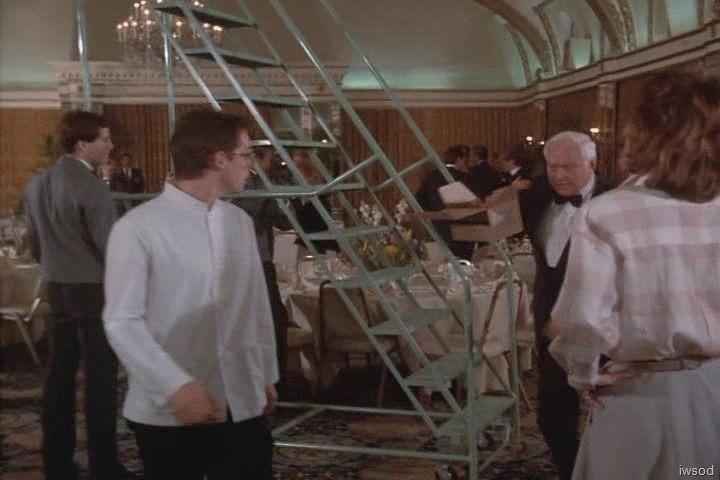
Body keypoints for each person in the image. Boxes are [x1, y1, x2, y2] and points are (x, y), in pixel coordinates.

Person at [548, 70, 720, 480]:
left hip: (641, 395)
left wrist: (582, 372)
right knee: (699, 472)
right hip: (714, 391)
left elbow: (583, 320)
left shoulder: (609, 213)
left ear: (644, 134)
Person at [103, 109, 278, 479]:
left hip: (241, 401)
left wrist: (264, 373)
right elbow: (122, 321)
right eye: (246, 155)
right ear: (218, 159)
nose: (251, 165)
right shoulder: (137, 228)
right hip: (169, 412)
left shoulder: (239, 222)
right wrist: (176, 386)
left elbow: (256, 306)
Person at [25, 110, 136, 479]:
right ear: (82, 145)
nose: (111, 145)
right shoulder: (91, 187)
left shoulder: (38, 183)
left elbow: (35, 246)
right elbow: (111, 249)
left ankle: (56, 460)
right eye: (104, 139)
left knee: (58, 376)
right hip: (92, 290)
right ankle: (104, 465)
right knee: (99, 381)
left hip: (57, 287)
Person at [520, 130, 614, 480]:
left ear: (592, 163)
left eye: (569, 167)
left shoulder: (616, 202)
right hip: (552, 326)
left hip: (604, 326)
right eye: (552, 166)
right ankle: (572, 472)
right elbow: (492, 214)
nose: (559, 175)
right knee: (552, 415)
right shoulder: (535, 197)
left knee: (608, 413)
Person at [234, 147, 292, 397]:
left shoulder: (262, 184)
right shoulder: (237, 184)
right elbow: (245, 212)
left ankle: (275, 382)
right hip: (241, 264)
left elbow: (283, 221)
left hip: (261, 261)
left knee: (275, 320)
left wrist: (286, 197)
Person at [415, 145, 474, 260]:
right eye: (465, 160)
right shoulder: (464, 177)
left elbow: (420, 198)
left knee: (441, 256)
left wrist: (432, 213)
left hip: (437, 222)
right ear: (459, 159)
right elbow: (473, 201)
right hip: (461, 223)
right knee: (463, 258)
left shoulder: (431, 176)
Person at [291, 149, 338, 254]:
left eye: (298, 165)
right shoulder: (303, 200)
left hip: (315, 233)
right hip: (311, 231)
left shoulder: (316, 202)